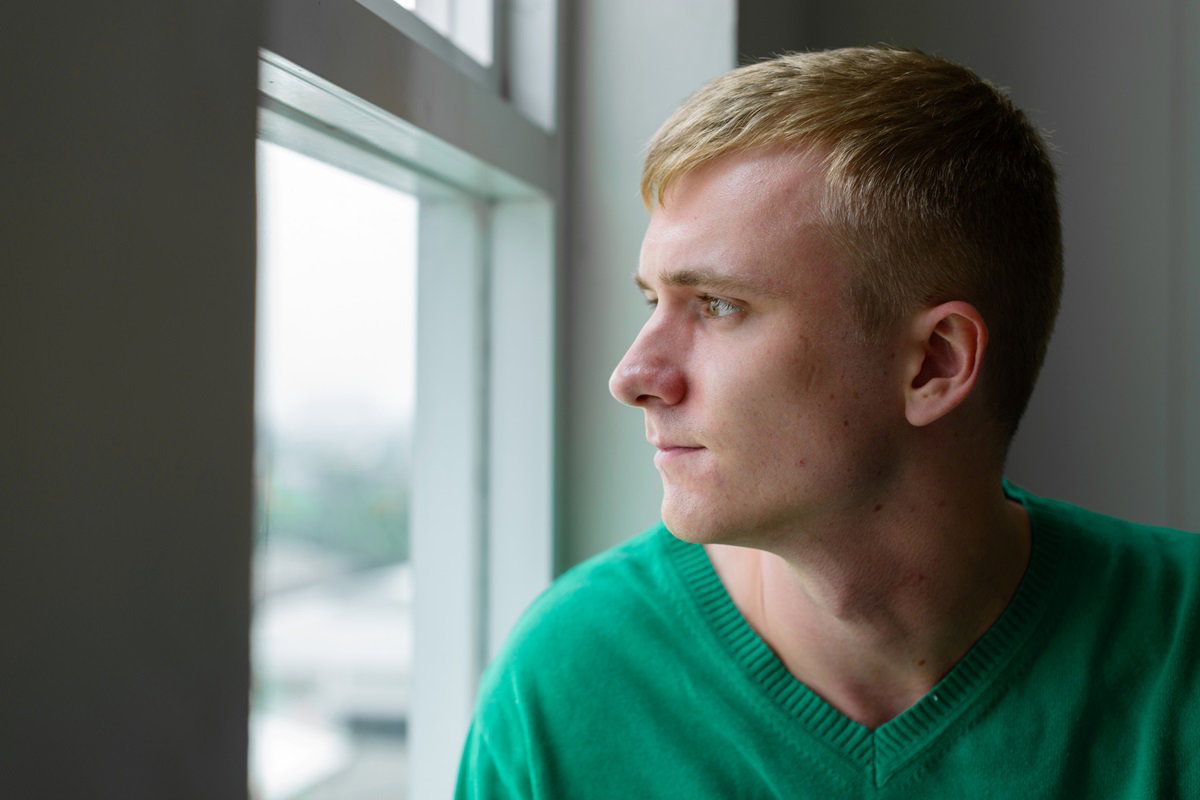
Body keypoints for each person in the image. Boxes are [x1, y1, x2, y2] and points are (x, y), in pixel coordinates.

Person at [455, 46, 1200, 798]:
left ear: (934, 365)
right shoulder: (566, 684)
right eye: (654, 302)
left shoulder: (1181, 653)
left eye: (718, 306)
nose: (632, 377)